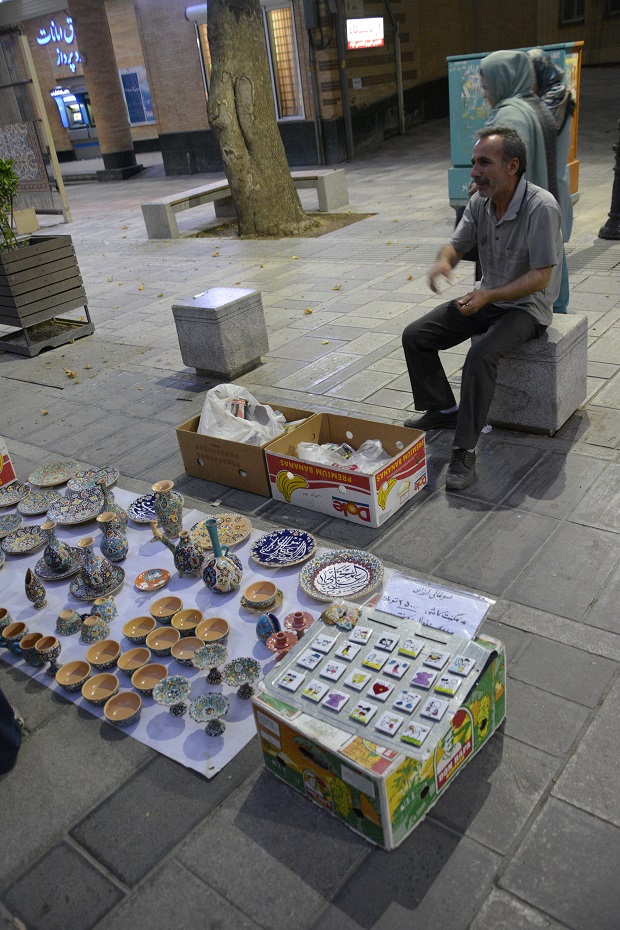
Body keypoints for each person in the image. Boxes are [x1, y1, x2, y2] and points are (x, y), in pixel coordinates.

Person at [402, 127, 562, 491]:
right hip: (488, 297)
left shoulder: (542, 207)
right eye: (474, 162)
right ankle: (443, 410)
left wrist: (488, 297)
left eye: (483, 163)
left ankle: (464, 449)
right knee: (416, 336)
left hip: (527, 308)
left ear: (512, 166)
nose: (474, 171)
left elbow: (540, 277)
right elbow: (455, 245)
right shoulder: (480, 202)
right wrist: (444, 263)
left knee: (480, 355)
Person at [528, 48, 576, 314]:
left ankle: (558, 304)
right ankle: (557, 303)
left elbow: (538, 129)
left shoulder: (553, 98)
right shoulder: (552, 94)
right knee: (553, 247)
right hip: (551, 182)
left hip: (550, 185)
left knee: (553, 248)